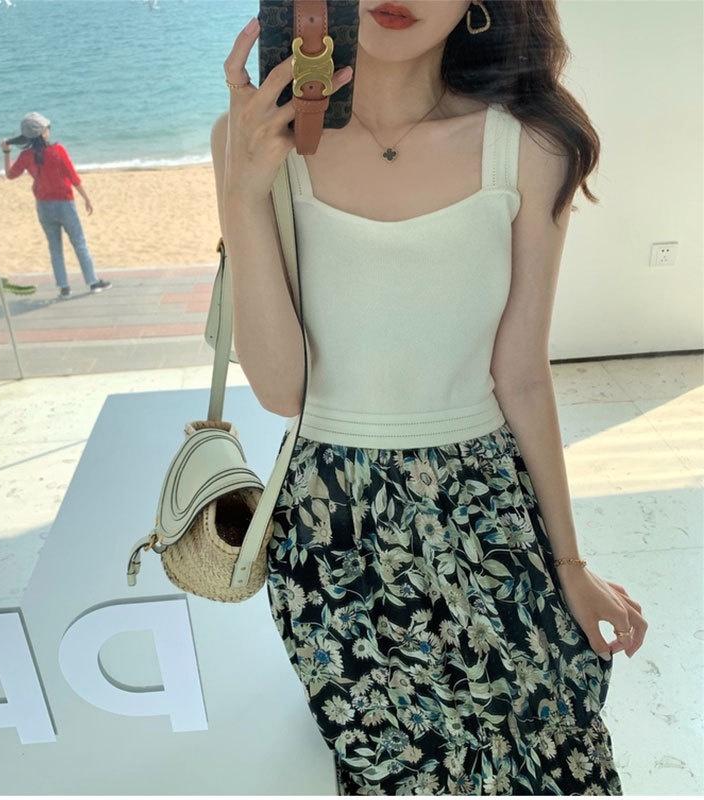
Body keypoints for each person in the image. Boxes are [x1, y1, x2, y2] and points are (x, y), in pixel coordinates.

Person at [212, 1, 648, 795]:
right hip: (333, 527)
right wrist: (245, 193)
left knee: (550, 745)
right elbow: (282, 389)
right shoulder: (255, 138)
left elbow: (522, 373)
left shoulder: (528, 146)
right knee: (399, 770)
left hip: (486, 509)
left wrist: (570, 564)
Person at [1, 112, 112, 299]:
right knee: (79, 243)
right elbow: (73, 176)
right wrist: (86, 198)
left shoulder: (26, 156)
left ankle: (64, 288)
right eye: (47, 128)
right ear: (43, 132)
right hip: (65, 203)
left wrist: (6, 153)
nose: (49, 130)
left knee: (55, 248)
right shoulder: (58, 150)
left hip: (44, 206)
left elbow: (10, 175)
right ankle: (93, 283)